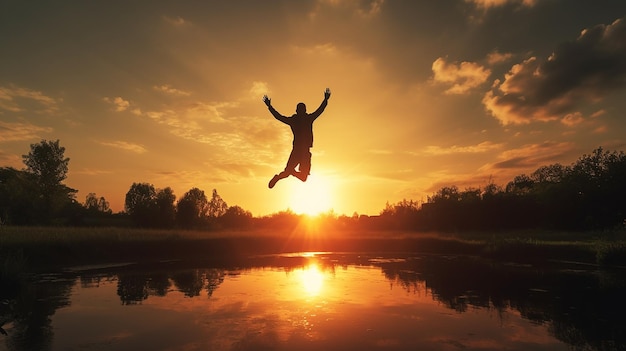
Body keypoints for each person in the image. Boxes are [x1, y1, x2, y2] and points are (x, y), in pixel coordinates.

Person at [263, 88, 331, 188]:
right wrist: (325, 100)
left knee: (293, 174)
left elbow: (279, 117)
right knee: (299, 176)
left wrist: (269, 106)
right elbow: (319, 111)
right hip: (301, 151)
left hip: (300, 151)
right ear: (302, 110)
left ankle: (286, 174)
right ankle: (284, 175)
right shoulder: (306, 119)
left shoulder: (298, 119)